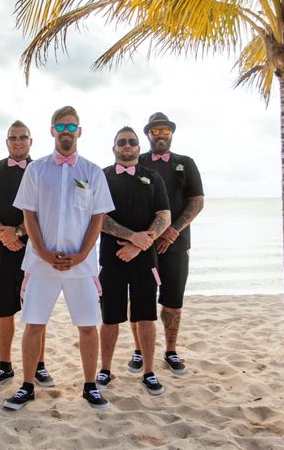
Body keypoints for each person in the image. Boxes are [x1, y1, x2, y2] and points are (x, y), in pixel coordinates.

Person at [3, 106, 115, 411]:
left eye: (71, 127)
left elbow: (97, 218)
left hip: (81, 266)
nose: (66, 133)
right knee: (34, 324)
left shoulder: (92, 172)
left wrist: (81, 255)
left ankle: (90, 387)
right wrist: (41, 251)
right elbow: (29, 214)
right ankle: (27, 386)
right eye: (61, 127)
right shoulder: (36, 169)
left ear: (80, 131)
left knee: (88, 326)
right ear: (52, 131)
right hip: (42, 264)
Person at [0, 120, 54, 387]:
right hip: (0, 250)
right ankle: (4, 365)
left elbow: (47, 210)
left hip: (34, 250)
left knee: (37, 311)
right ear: (6, 141)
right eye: (13, 138)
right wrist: (2, 233)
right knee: (3, 310)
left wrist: (19, 232)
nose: (18, 142)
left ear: (31, 141)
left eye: (23, 137)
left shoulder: (43, 170)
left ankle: (40, 365)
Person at [97, 126, 171, 396]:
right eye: (122, 142)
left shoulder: (153, 178)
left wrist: (140, 246)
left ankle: (149, 372)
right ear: (113, 147)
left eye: (132, 142)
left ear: (139, 148)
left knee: (146, 317)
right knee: (109, 317)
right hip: (111, 258)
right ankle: (104, 369)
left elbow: (164, 217)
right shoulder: (102, 177)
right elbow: (98, 218)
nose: (127, 146)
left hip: (144, 259)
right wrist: (131, 238)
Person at [128, 112, 204, 376]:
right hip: (144, 244)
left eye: (165, 131)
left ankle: (171, 350)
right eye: (155, 131)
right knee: (139, 300)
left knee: (173, 300)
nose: (160, 135)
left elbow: (196, 201)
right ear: (148, 135)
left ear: (171, 133)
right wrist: (148, 236)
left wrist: (174, 230)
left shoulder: (186, 163)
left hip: (177, 244)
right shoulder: (137, 162)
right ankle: (139, 351)